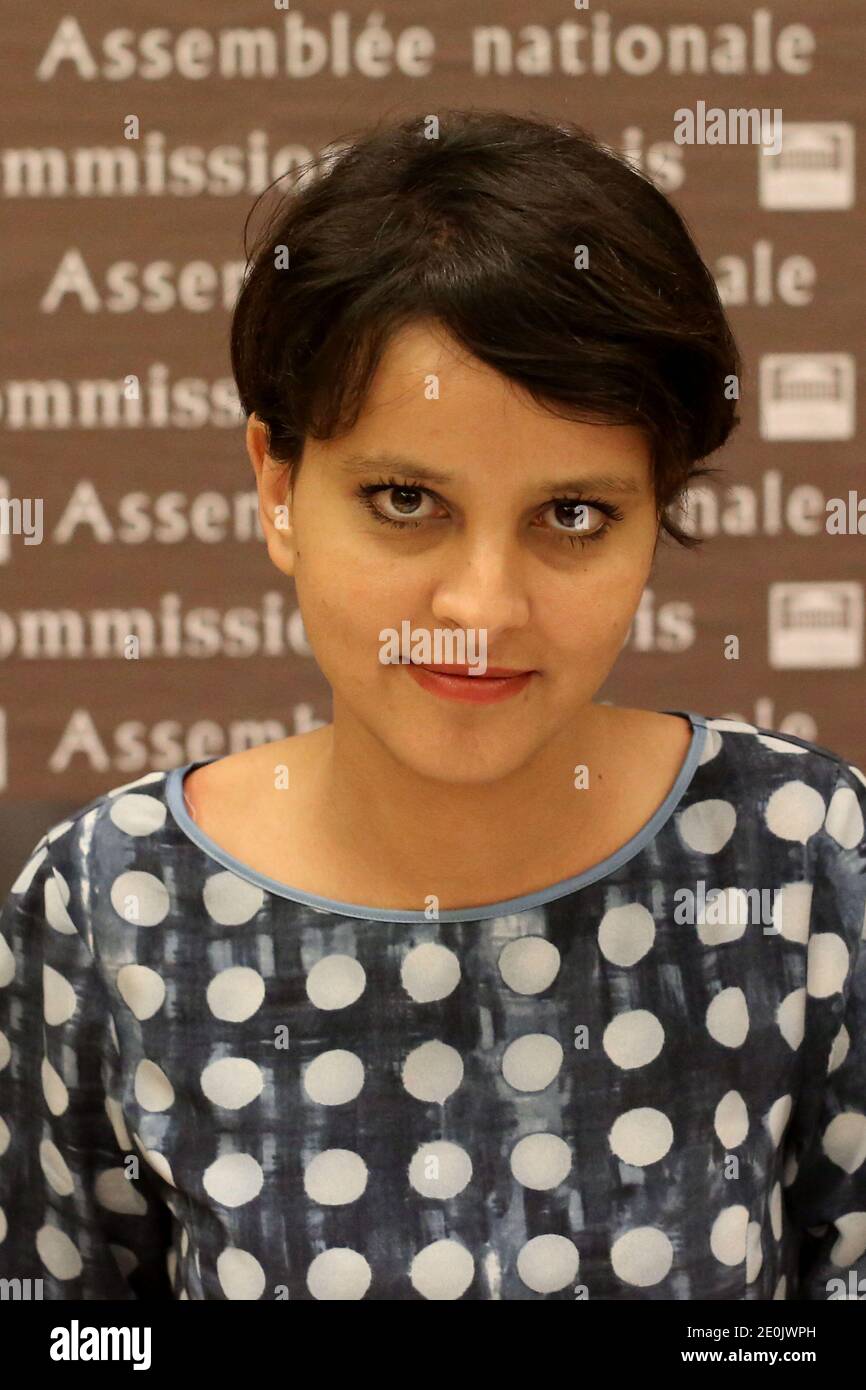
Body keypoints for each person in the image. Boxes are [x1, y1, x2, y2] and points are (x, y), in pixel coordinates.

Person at [1, 108, 864, 1302]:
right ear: (279, 485)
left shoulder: (808, 861)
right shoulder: (110, 906)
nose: (480, 603)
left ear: (652, 516)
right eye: (407, 499)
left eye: (572, 514)